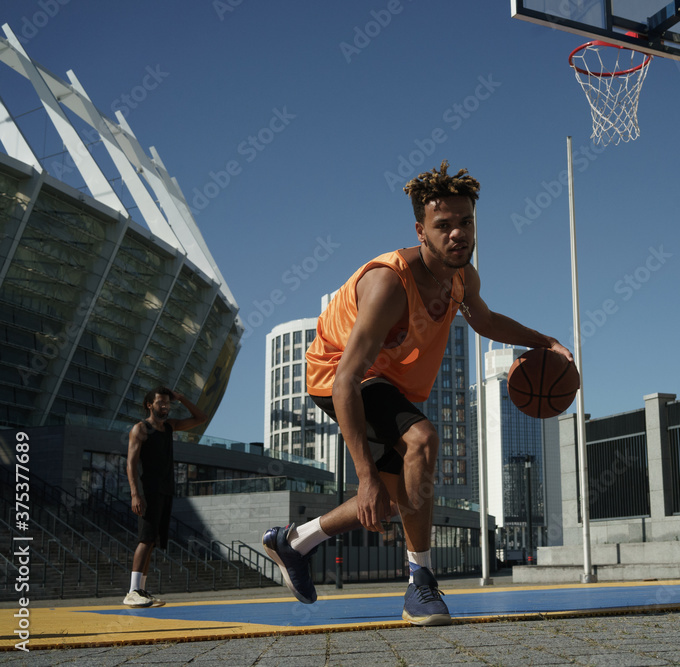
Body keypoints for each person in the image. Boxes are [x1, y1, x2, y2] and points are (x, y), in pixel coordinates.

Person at [262, 160, 572, 626]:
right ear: (420, 231)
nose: (457, 235)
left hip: (386, 383)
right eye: (443, 225)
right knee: (421, 440)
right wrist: (363, 475)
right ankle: (421, 582)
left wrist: (543, 341)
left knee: (398, 498)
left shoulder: (462, 277)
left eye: (465, 223)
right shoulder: (389, 283)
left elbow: (484, 320)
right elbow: (347, 378)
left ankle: (294, 541)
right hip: (335, 375)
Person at [123, 386, 207, 608]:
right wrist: (135, 494)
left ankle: (141, 590)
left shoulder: (170, 426)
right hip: (147, 492)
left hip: (165, 490)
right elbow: (130, 464)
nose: (165, 406)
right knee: (144, 539)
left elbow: (201, 417)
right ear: (149, 404)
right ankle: (132, 591)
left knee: (151, 542)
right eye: (160, 402)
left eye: (168, 403)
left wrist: (182, 397)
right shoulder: (140, 429)